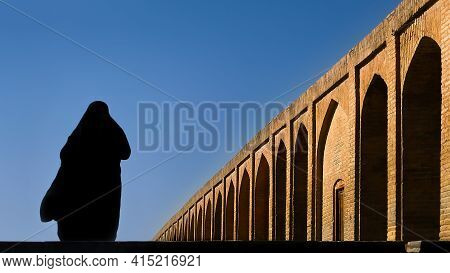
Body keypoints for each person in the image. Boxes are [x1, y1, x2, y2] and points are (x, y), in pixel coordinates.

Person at [40, 101, 131, 241]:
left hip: (91, 228)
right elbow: (125, 151)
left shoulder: (76, 150)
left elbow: (125, 151)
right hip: (98, 229)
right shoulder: (83, 152)